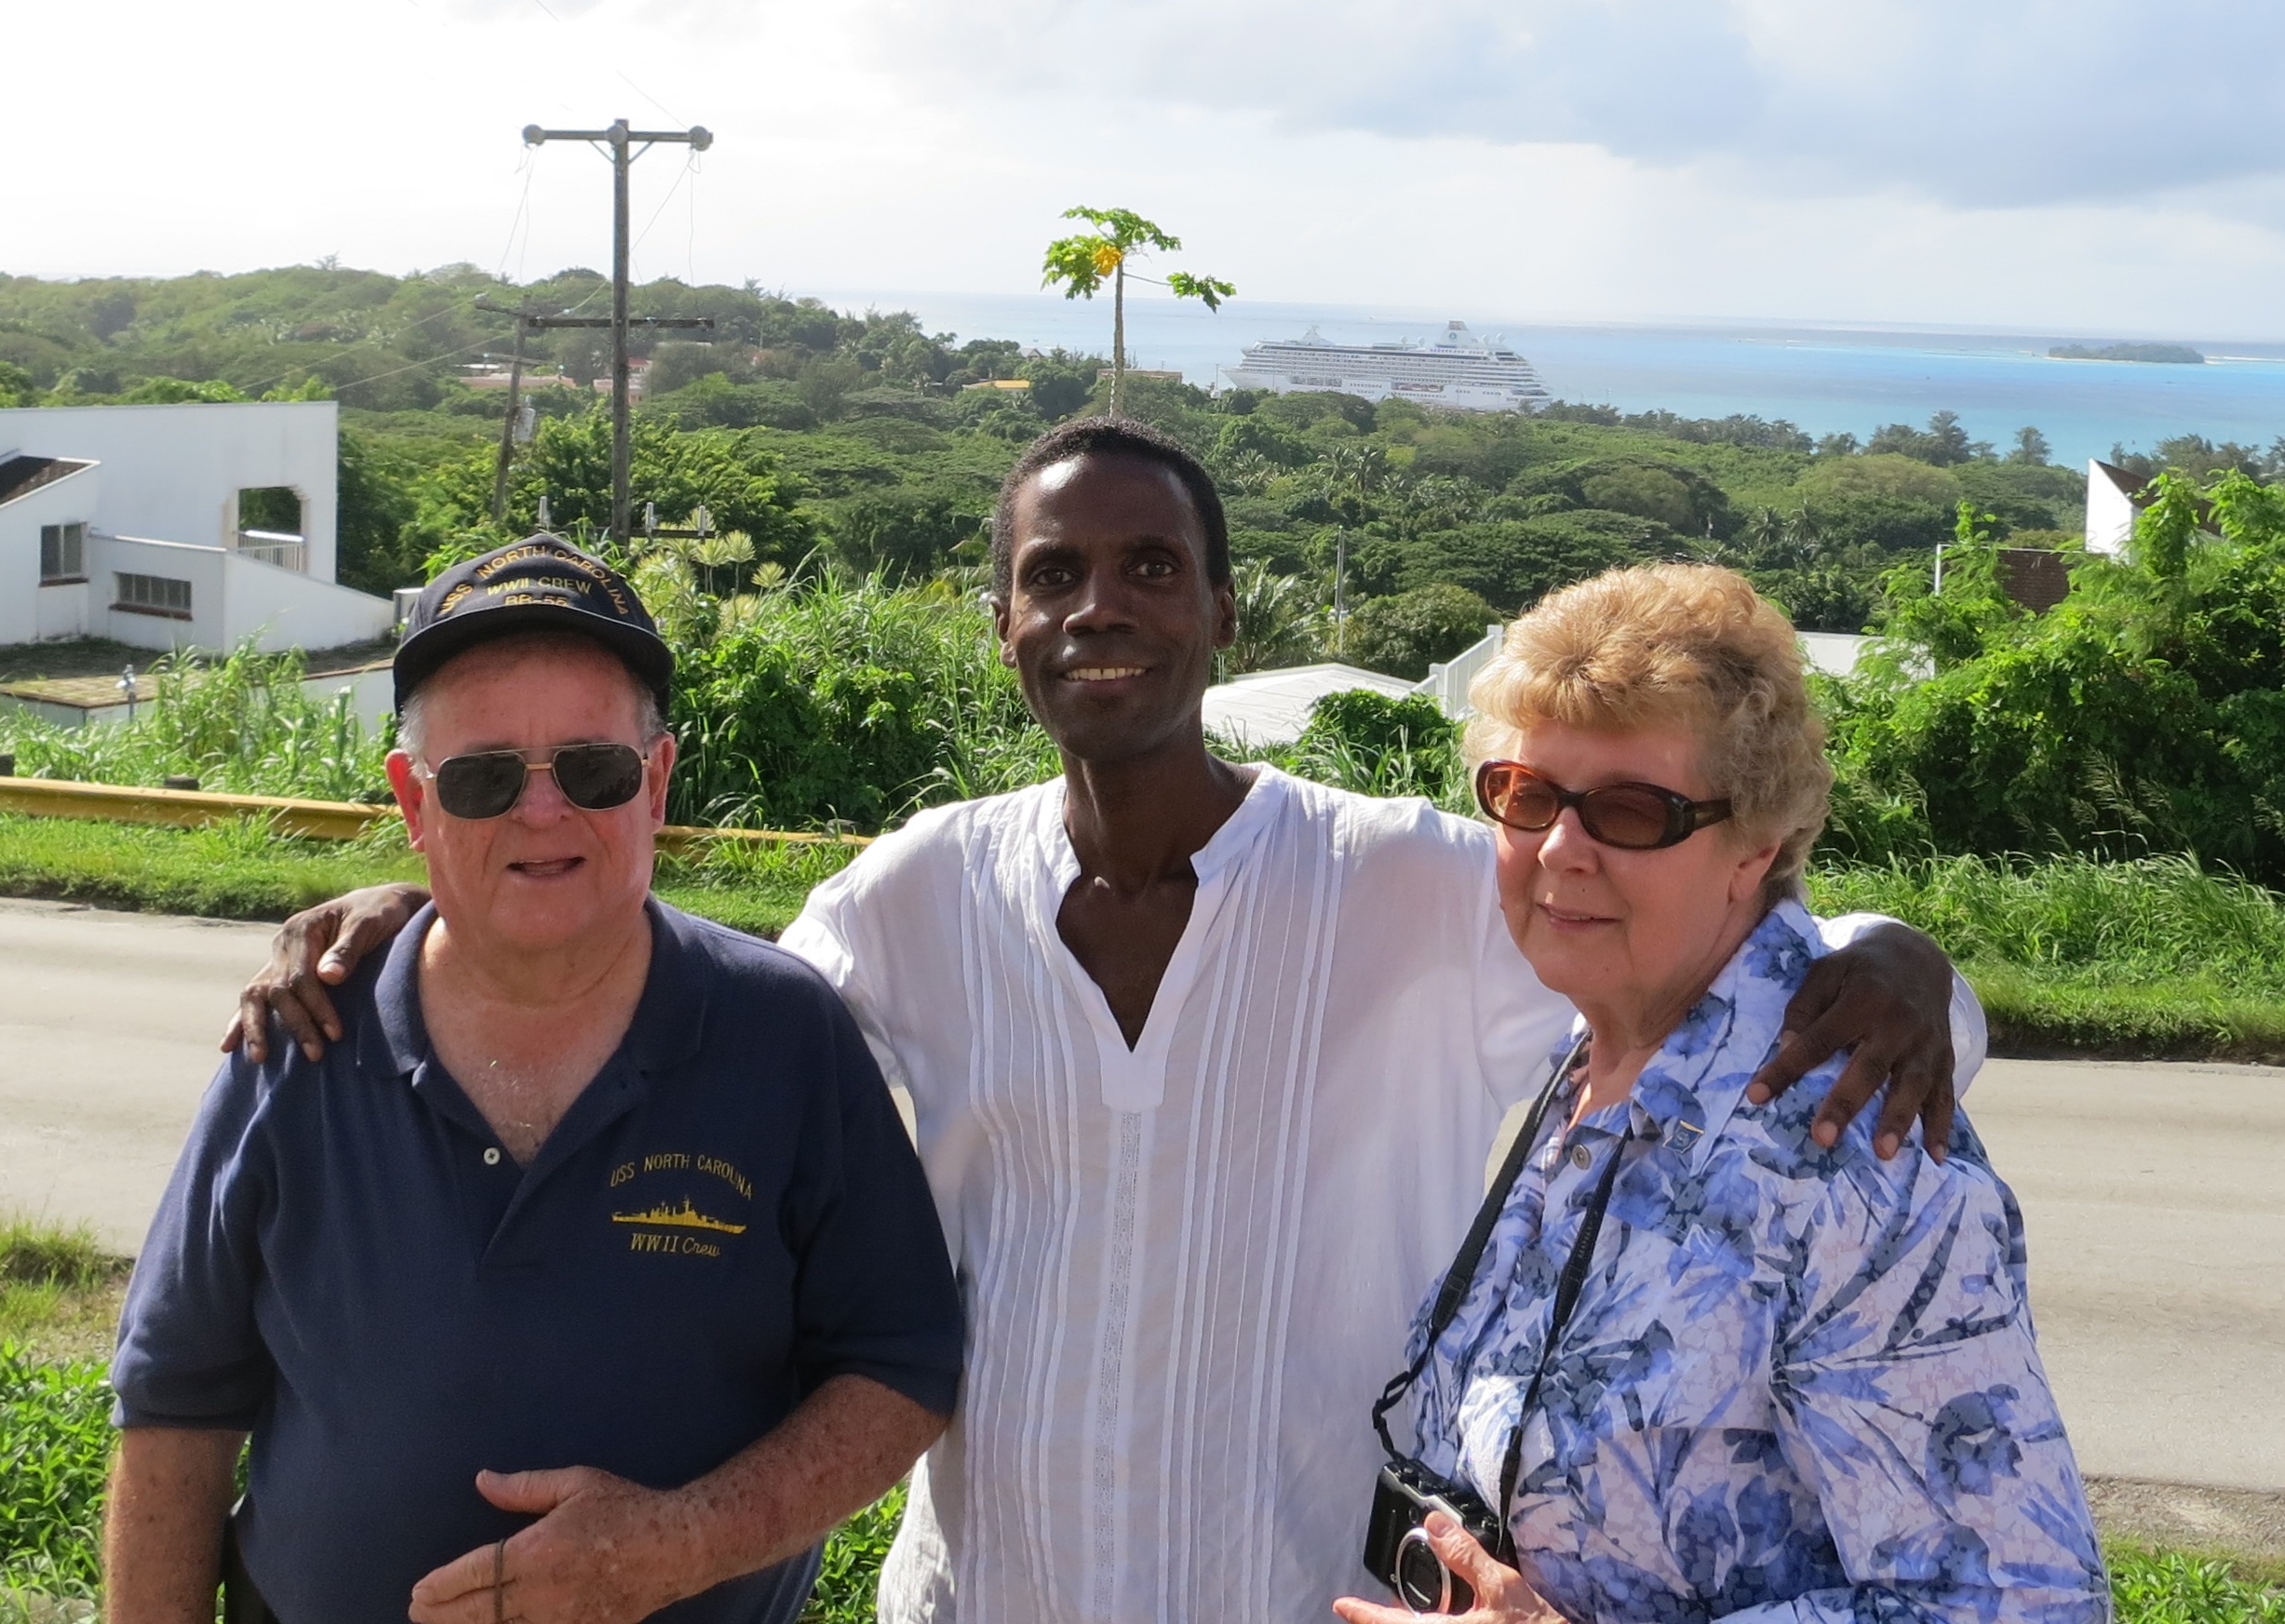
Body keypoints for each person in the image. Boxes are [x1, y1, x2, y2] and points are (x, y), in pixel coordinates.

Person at [227, 422, 1983, 1624]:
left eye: (1151, 568)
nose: (1102, 607)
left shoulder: (1413, 886)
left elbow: (1688, 926)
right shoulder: (922, 892)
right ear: (1004, 621)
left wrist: (1906, 957)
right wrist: (434, 901)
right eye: (1055, 572)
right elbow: (672, 1011)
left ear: (1223, 610)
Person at [107, 539, 963, 1624]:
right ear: (415, 805)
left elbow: (900, 1366)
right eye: (484, 776)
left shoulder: (784, 1033)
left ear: (655, 783)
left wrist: (679, 1545)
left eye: (593, 768)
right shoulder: (304, 1036)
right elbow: (175, 1400)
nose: (543, 812)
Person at [1336, 566, 2104, 1624]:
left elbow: (2020, 1601)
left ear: (1761, 844)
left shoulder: (1850, 1157)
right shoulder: (1600, 1052)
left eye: (1631, 811)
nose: (1561, 847)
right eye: (1528, 793)